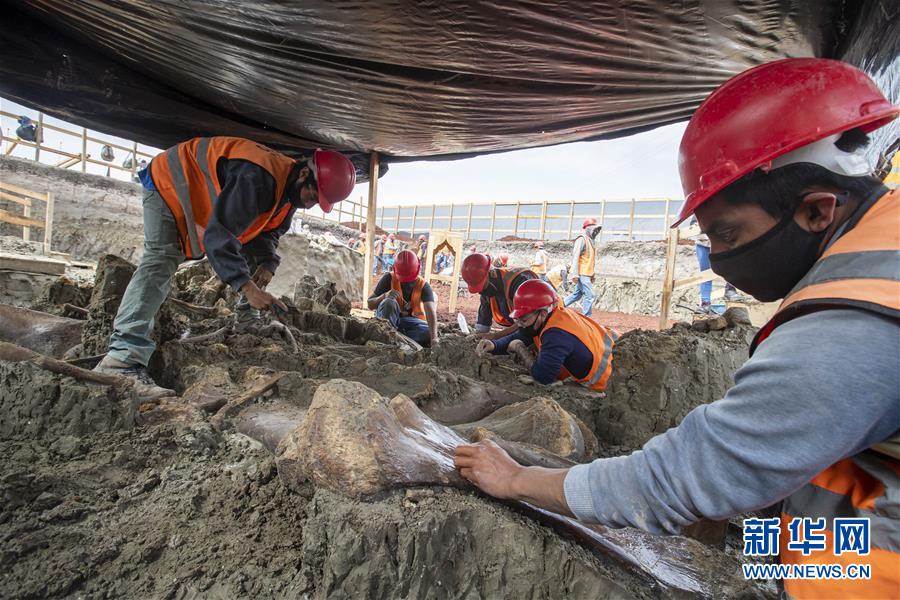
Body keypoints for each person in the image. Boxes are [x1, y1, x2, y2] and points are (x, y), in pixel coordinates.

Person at [454, 58, 899, 598]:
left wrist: (519, 480)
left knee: (791, 546)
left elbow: (688, 475)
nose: (717, 258)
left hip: (872, 552)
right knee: (763, 536)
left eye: (728, 235)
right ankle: (764, 570)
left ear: (816, 210)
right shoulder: (877, 247)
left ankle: (779, 579)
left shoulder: (851, 323)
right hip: (854, 496)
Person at [94, 138, 356, 396]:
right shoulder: (258, 178)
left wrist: (268, 262)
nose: (310, 203)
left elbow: (265, 234)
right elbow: (219, 237)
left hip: (194, 193)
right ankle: (122, 360)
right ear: (303, 174)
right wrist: (248, 287)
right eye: (312, 195)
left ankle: (246, 321)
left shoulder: (288, 192)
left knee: (257, 255)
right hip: (170, 182)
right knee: (161, 259)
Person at [475, 280, 616, 392]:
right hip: (611, 354)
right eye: (517, 319)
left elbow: (543, 376)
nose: (519, 324)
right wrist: (494, 345)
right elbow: (522, 335)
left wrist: (520, 349)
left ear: (542, 313)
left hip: (605, 382)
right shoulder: (552, 316)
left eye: (523, 320)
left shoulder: (556, 335)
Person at [367, 249, 439, 347]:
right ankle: (389, 337)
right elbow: (370, 304)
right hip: (387, 321)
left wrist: (434, 339)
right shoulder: (388, 279)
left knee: (429, 331)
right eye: (403, 279)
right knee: (388, 302)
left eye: (410, 279)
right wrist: (384, 296)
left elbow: (431, 311)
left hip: (408, 323)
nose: (407, 282)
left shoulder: (423, 285)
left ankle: (397, 338)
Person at [461, 253, 536, 340]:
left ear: (492, 273)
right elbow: (483, 321)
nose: (481, 292)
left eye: (482, 286)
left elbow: (527, 322)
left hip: (537, 329)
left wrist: (497, 336)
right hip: (518, 327)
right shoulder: (488, 290)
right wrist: (478, 336)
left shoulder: (518, 283)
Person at [690, 216, 743, 312]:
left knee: (730, 265)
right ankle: (705, 303)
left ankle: (730, 289)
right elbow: (693, 226)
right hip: (703, 244)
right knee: (705, 273)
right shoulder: (698, 211)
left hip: (722, 242)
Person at [563, 219, 600, 317]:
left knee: (577, 294)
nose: (595, 231)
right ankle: (587, 317)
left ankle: (560, 306)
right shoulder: (581, 239)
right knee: (589, 294)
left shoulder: (591, 241)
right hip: (581, 272)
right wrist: (574, 274)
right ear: (587, 228)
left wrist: (592, 274)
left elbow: (590, 260)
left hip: (587, 272)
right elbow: (575, 257)